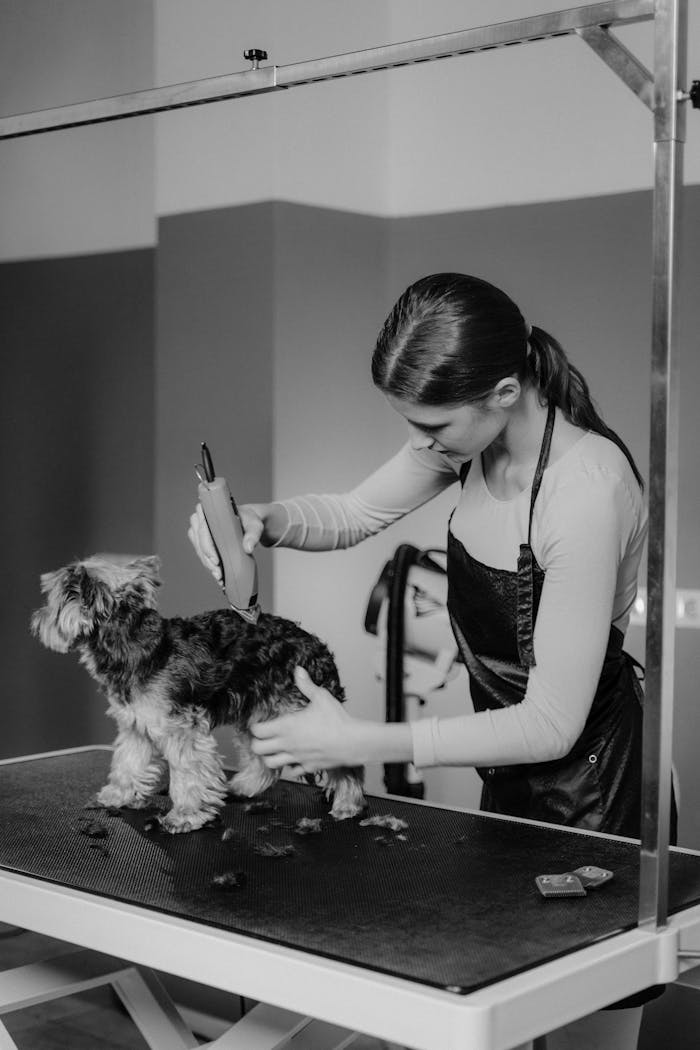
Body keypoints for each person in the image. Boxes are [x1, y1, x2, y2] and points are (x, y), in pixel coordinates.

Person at [189, 272, 675, 1050]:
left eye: (432, 426)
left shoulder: (584, 489)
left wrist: (356, 743)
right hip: (507, 779)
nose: (420, 444)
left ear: (506, 391)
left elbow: (551, 723)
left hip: (599, 801)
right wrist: (257, 521)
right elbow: (350, 516)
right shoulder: (469, 446)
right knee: (503, 1023)